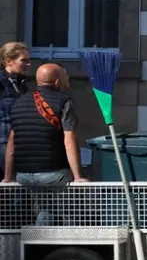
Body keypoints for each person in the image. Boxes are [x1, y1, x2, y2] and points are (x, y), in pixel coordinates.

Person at [2, 63, 86, 188]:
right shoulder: (64, 101)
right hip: (53, 174)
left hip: (22, 176)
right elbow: (69, 140)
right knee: (73, 200)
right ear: (57, 82)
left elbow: (11, 142)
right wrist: (78, 177)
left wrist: (7, 177)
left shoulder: (18, 102)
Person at [0, 42, 31, 181]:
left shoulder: (22, 81)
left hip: (21, 139)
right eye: (24, 60)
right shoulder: (1, 82)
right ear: (8, 61)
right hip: (4, 139)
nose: (28, 64)